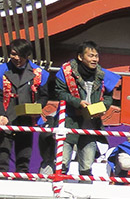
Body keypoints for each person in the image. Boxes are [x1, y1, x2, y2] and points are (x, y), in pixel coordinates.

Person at [50, 41, 121, 176]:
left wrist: (102, 107)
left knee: (87, 165)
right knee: (62, 162)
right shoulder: (66, 72)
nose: (94, 59)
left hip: (91, 123)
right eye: (90, 56)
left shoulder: (103, 75)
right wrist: (78, 102)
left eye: (96, 56)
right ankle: (57, 191)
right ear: (80, 57)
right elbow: (60, 92)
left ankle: (85, 194)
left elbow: (108, 97)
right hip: (69, 121)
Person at [0, 38, 46, 174]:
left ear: (28, 55)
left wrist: (37, 107)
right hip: (5, 118)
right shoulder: (1, 70)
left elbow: (44, 95)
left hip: (27, 119)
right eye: (13, 54)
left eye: (21, 55)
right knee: (2, 158)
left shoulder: (38, 72)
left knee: (24, 158)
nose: (17, 58)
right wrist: (1, 114)